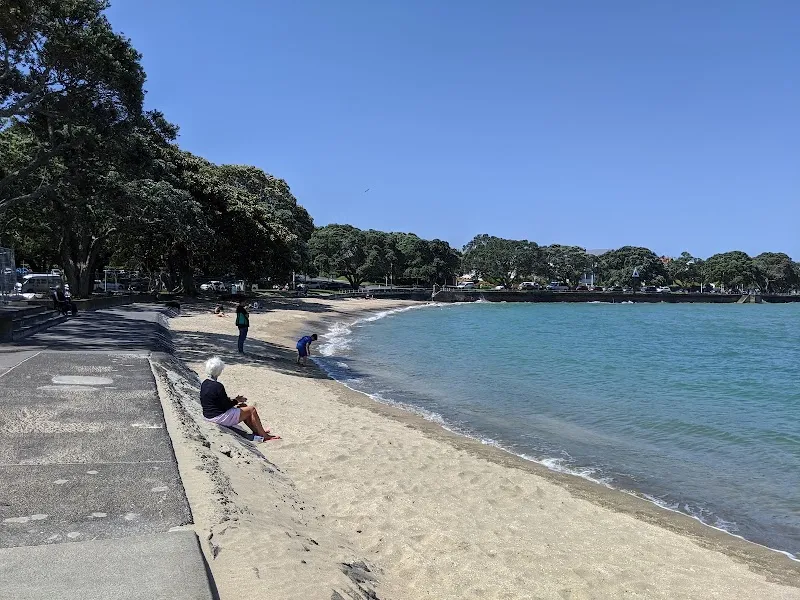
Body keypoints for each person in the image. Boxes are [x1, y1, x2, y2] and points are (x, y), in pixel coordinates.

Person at [200, 357, 277, 441]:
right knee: (252, 409)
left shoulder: (205, 383)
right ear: (218, 371)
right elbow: (226, 405)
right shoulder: (218, 386)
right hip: (218, 417)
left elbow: (217, 401)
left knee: (243, 406)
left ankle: (257, 430)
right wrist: (237, 400)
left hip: (208, 415)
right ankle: (264, 435)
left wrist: (236, 400)